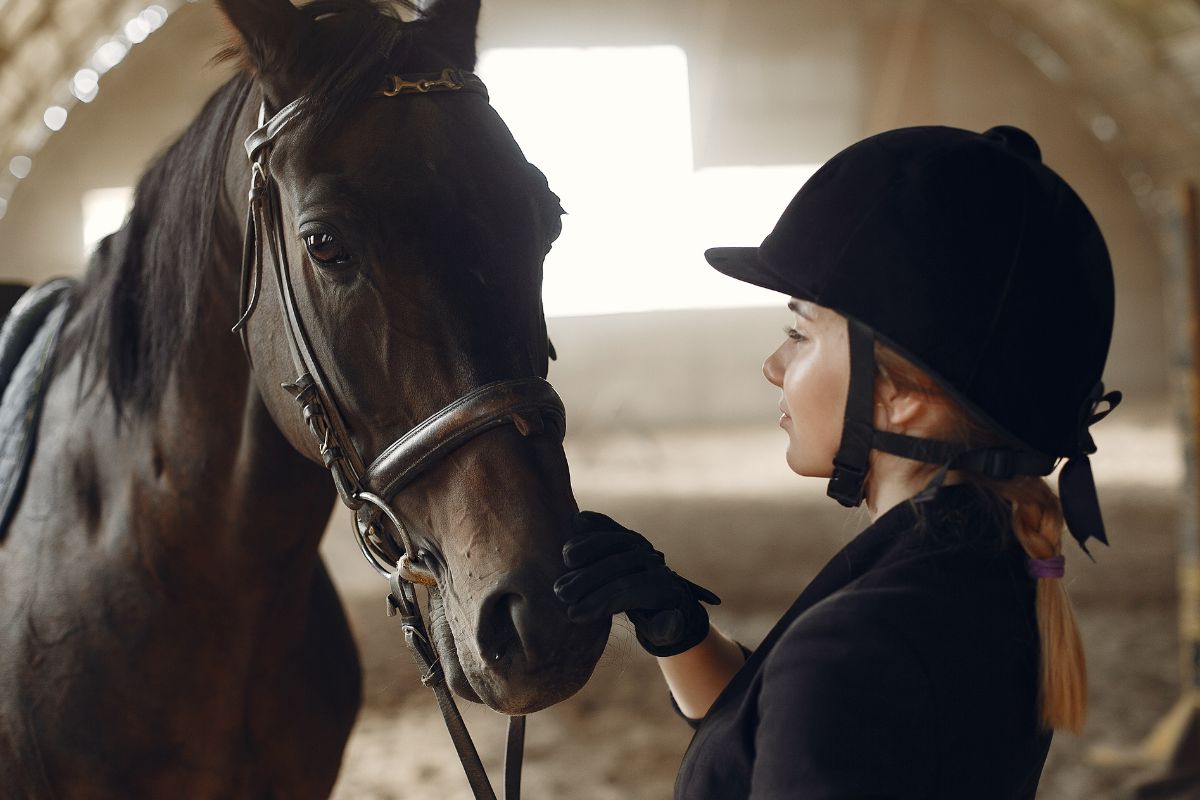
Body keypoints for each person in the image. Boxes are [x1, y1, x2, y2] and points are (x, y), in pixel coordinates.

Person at [553, 124, 1121, 798]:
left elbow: (825, 703)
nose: (773, 366)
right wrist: (674, 626)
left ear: (902, 393)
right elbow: (785, 729)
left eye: (799, 333)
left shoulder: (856, 647)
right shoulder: (982, 566)